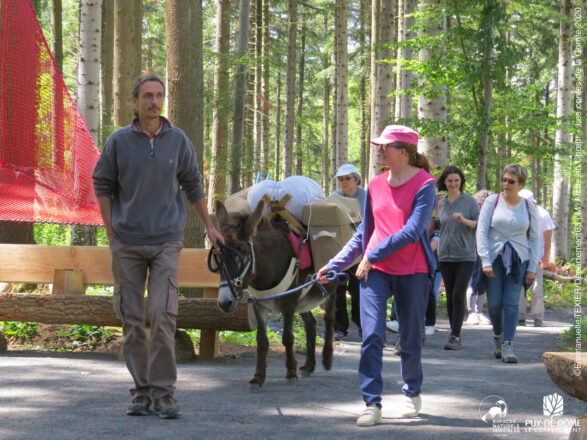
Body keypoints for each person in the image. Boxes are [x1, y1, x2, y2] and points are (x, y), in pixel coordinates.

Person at [92, 75, 224, 419]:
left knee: (163, 316)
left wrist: (210, 226)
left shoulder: (177, 140)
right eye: (148, 96)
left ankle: (164, 393)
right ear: (134, 102)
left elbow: (193, 184)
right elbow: (102, 183)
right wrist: (111, 232)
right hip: (128, 243)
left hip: (166, 240)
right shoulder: (119, 141)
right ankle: (141, 392)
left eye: (159, 95)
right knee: (133, 320)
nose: (154, 101)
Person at [317, 125, 436, 427]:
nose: (380, 151)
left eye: (386, 146)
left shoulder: (425, 185)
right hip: (376, 270)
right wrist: (335, 263)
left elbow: (412, 232)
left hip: (413, 270)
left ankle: (411, 390)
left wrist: (371, 255)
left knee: (409, 338)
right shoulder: (375, 185)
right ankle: (372, 404)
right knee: (371, 336)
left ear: (404, 152)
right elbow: (364, 233)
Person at [476, 164, 540, 364]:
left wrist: (532, 268)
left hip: (519, 259)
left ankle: (508, 345)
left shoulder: (529, 206)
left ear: (520, 184)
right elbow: (481, 231)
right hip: (494, 259)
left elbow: (536, 239)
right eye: (504, 180)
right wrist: (485, 260)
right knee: (494, 304)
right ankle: (497, 335)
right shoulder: (492, 202)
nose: (505, 184)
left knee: (511, 303)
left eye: (510, 181)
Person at [436, 166, 480, 350]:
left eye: (456, 180)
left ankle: (455, 335)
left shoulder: (469, 201)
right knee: (450, 296)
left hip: (465, 254)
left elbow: (479, 224)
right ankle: (453, 332)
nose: (453, 184)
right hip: (445, 254)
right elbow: (438, 226)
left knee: (457, 294)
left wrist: (464, 220)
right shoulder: (441, 203)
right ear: (444, 183)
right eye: (449, 181)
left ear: (461, 181)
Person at [331, 164, 366, 341]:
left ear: (356, 180)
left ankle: (363, 325)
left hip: (361, 252)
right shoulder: (333, 199)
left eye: (348, 178)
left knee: (359, 290)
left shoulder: (367, 197)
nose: (344, 182)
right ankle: (340, 328)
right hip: (339, 251)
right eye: (341, 179)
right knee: (337, 291)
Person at [517, 189, 554, 328]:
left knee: (536, 288)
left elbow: (548, 237)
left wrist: (546, 256)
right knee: (519, 287)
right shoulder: (517, 212)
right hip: (520, 256)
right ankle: (520, 316)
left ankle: (538, 317)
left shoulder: (543, 214)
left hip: (537, 257)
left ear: (533, 202)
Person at [465, 189, 494, 326]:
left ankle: (479, 311)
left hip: (488, 251)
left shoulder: (493, 214)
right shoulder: (473, 213)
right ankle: (471, 312)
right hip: (473, 250)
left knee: (483, 281)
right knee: (473, 280)